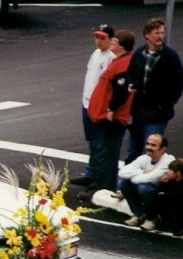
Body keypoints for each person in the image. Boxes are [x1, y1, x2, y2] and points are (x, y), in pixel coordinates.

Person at [78, 29, 135, 201]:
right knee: (104, 151)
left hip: (113, 117)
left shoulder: (122, 64)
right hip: (102, 112)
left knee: (106, 153)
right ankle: (100, 183)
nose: (111, 43)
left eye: (114, 40)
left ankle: (102, 187)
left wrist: (111, 110)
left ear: (121, 45)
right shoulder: (116, 60)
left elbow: (121, 91)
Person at [125, 18, 183, 165]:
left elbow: (177, 84)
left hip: (157, 113)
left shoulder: (170, 57)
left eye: (162, 33)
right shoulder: (139, 53)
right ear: (147, 35)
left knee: (151, 150)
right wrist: (132, 83)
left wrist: (165, 106)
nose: (160, 36)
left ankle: (147, 185)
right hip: (138, 111)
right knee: (133, 149)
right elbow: (130, 72)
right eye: (156, 33)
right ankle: (127, 184)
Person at [70, 24, 115, 188]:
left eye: (102, 38)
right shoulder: (95, 54)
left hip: (99, 106)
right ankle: (91, 172)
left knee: (99, 144)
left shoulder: (111, 57)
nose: (98, 41)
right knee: (91, 141)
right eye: (97, 37)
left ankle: (99, 180)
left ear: (111, 39)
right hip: (87, 103)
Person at [118, 133, 175, 231]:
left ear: (163, 149)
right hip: (149, 190)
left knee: (144, 187)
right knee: (123, 183)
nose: (148, 147)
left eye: (153, 145)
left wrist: (134, 176)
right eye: (148, 144)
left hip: (165, 197)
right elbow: (122, 172)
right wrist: (142, 171)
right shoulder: (144, 158)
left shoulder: (168, 161)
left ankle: (152, 219)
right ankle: (139, 215)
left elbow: (150, 178)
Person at [154, 158, 183, 236]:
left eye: (170, 170)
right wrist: (162, 183)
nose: (168, 172)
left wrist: (166, 194)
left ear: (178, 173)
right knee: (160, 199)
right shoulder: (170, 181)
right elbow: (159, 193)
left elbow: (179, 194)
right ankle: (167, 223)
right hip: (173, 204)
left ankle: (179, 226)